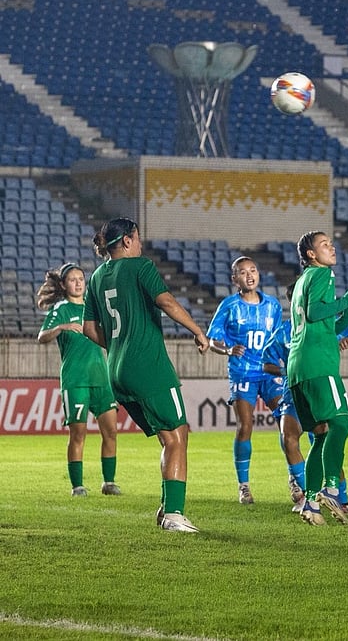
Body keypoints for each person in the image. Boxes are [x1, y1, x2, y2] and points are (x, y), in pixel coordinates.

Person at [81, 218, 209, 533]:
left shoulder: (97, 277)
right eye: (138, 239)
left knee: (170, 438)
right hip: (148, 366)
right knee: (177, 436)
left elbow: (88, 329)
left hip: (117, 370)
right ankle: (175, 515)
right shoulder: (140, 267)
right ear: (127, 240)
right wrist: (197, 332)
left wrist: (116, 344)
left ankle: (167, 508)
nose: (140, 245)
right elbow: (165, 301)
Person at [288, 231, 348, 526]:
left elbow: (324, 325)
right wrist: (347, 298)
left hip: (299, 367)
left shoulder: (301, 283)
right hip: (319, 364)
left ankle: (309, 502)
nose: (331, 248)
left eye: (331, 243)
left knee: (320, 435)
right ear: (310, 254)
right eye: (324, 244)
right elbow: (318, 310)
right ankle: (332, 488)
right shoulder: (322, 274)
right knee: (341, 422)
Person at [264, 313, 348, 513]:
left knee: (325, 442)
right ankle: (307, 496)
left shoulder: (326, 324)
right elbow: (266, 363)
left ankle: (341, 498)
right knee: (288, 439)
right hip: (293, 391)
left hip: (321, 389)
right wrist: (286, 369)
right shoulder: (283, 332)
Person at [206, 256, 285, 505]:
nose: (249, 275)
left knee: (288, 421)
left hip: (269, 372)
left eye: (253, 270)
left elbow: (278, 339)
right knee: (246, 425)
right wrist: (227, 350)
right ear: (234, 279)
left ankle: (296, 482)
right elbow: (212, 339)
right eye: (242, 272)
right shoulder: (229, 305)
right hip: (242, 373)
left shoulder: (273, 305)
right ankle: (244, 485)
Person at [37, 263, 121, 497]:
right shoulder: (60, 309)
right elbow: (42, 337)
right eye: (73, 279)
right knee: (78, 433)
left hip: (101, 377)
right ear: (64, 285)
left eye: (81, 279)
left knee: (111, 432)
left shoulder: (93, 308)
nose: (78, 283)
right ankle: (78, 486)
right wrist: (61, 327)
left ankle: (109, 482)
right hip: (76, 380)